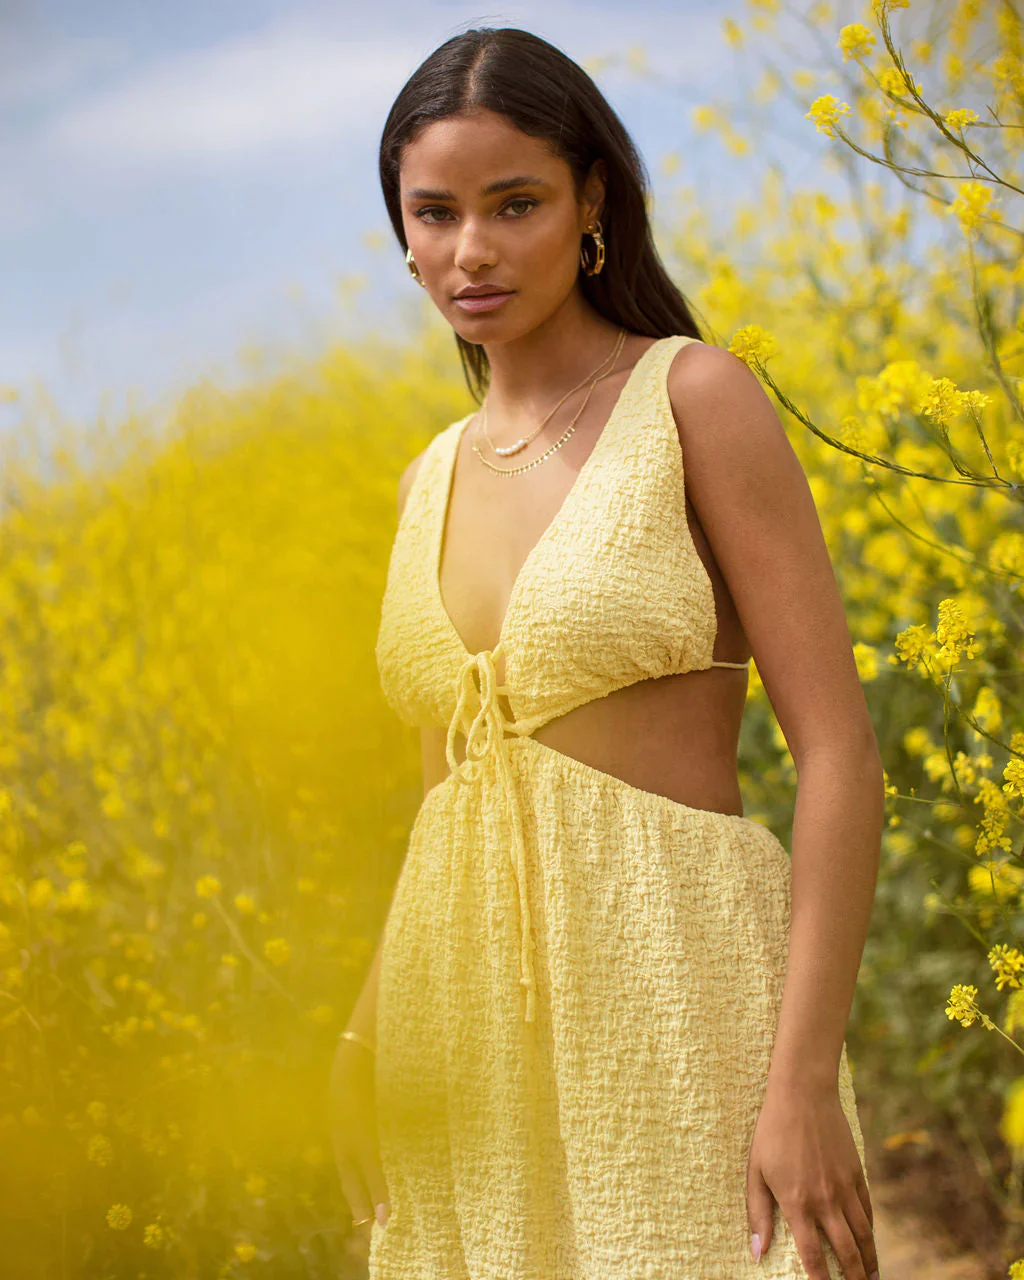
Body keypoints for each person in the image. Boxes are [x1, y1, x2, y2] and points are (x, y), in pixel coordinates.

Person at [329, 25, 885, 1280]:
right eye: (435, 213)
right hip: (459, 1039)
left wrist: (800, 1078)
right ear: (403, 231)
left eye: (514, 203)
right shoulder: (422, 480)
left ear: (591, 202)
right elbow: (446, 808)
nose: (471, 250)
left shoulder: (692, 398)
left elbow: (839, 752)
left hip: (680, 998)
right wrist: (363, 1046)